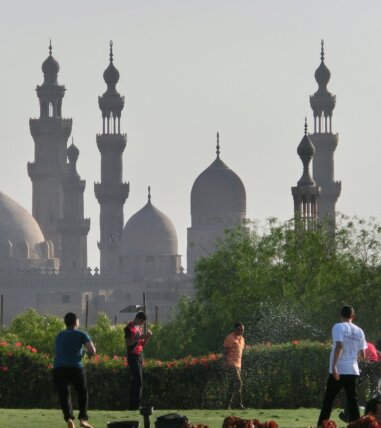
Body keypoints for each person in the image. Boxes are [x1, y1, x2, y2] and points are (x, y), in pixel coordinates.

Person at [317, 305, 367, 427]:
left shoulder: (338, 327)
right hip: (353, 370)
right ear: (353, 316)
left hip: (339, 369)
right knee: (352, 401)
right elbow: (363, 355)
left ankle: (321, 425)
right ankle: (357, 425)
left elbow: (339, 346)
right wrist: (353, 361)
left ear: (341, 315)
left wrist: (334, 366)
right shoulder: (360, 331)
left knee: (329, 400)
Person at [53, 312, 96, 428]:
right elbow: (92, 351)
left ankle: (69, 419)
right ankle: (83, 419)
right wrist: (86, 355)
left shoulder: (60, 335)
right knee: (82, 392)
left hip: (58, 368)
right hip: (75, 367)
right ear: (76, 322)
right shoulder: (81, 334)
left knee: (64, 395)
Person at [124, 311, 152, 410]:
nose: (142, 324)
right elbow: (128, 344)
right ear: (138, 319)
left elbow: (142, 345)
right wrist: (139, 337)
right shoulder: (129, 328)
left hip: (140, 356)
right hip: (132, 356)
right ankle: (136, 406)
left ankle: (132, 406)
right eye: (142, 322)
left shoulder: (139, 329)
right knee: (138, 381)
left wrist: (147, 337)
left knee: (136, 382)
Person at [223, 322, 246, 409]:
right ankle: (239, 404)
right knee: (238, 382)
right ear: (235, 329)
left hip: (239, 365)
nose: (242, 331)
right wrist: (225, 363)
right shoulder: (229, 338)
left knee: (233, 385)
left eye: (243, 330)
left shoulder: (242, 339)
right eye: (240, 329)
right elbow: (225, 351)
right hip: (231, 363)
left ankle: (226, 405)